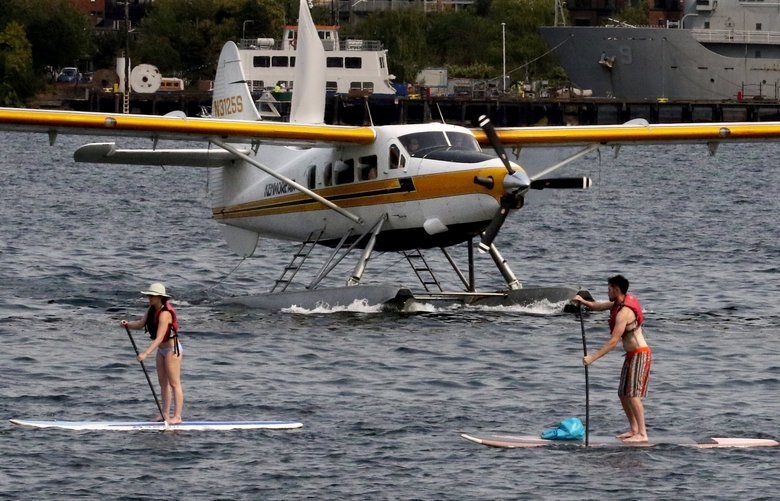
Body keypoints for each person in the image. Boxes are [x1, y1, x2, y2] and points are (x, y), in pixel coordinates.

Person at [574, 274, 651, 443]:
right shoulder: (618, 303)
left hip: (640, 354)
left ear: (616, 290)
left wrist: (592, 358)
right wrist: (584, 302)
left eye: (609, 289)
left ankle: (643, 434)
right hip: (631, 355)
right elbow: (598, 306)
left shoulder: (624, 313)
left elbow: (613, 342)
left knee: (632, 394)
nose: (607, 291)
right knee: (623, 394)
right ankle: (634, 429)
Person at [120, 282, 184, 424]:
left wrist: (145, 354)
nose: (149, 298)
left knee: (174, 383)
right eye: (149, 295)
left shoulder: (165, 313)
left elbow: (160, 337)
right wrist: (127, 324)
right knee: (163, 383)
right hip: (161, 350)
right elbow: (141, 324)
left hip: (172, 350)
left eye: (152, 296)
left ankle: (177, 416)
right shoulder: (151, 309)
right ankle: (164, 414)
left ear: (160, 297)